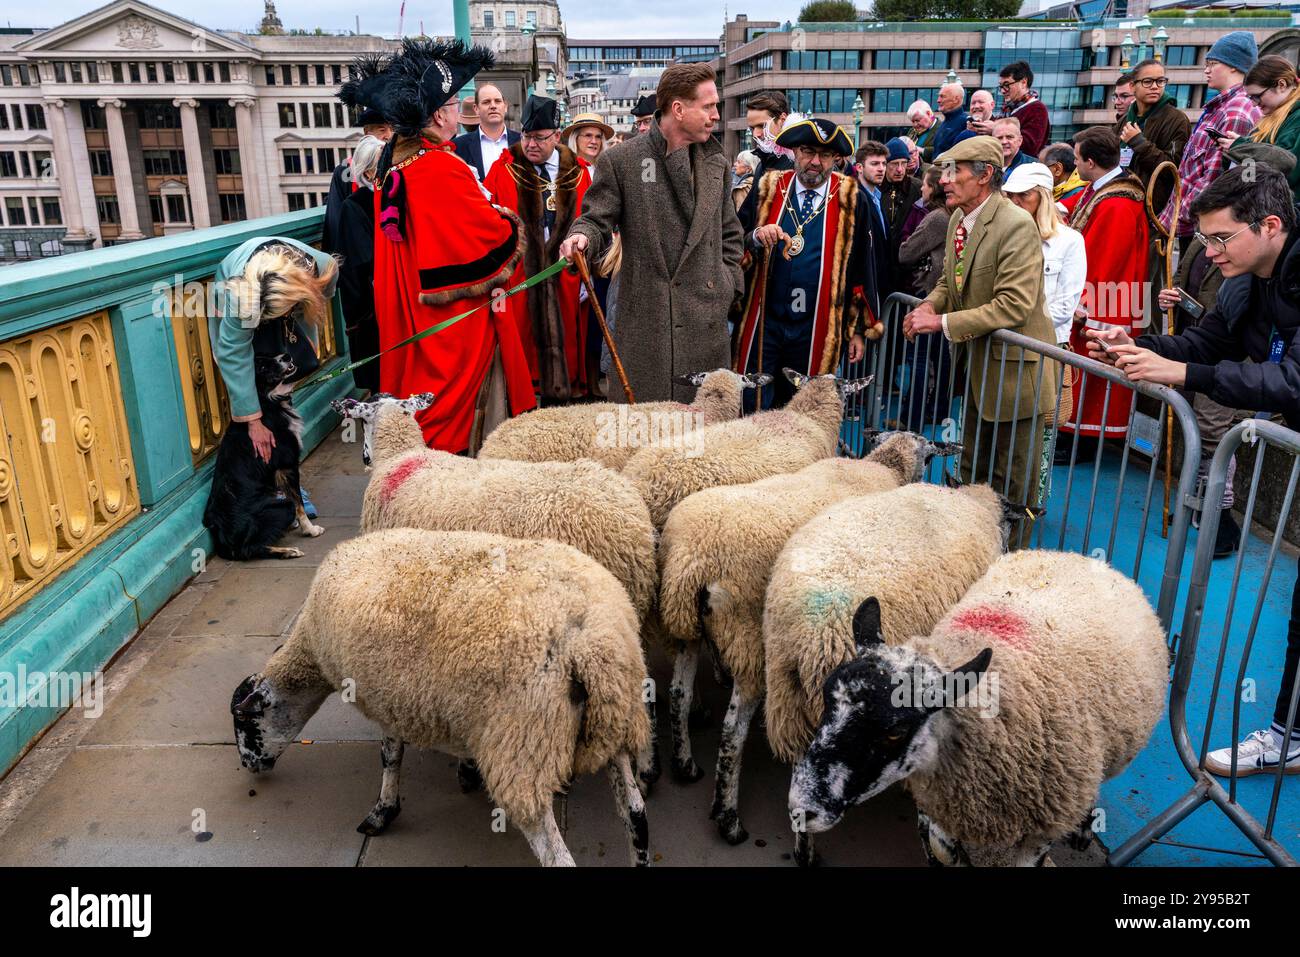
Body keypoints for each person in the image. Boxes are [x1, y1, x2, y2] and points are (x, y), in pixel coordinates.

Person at [1085, 164, 1300, 776]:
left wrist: (1185, 376)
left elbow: (1292, 380)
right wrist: (1136, 345)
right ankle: (1293, 729)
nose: (1208, 252)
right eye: (1203, 240)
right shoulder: (1244, 275)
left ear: (1271, 226)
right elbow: (1205, 347)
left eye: (1219, 239)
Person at [372, 39, 535, 454]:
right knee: (450, 414)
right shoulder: (439, 166)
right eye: (453, 106)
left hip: (410, 308)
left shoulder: (395, 164)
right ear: (439, 115)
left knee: (416, 393)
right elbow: (489, 237)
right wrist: (507, 218)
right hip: (452, 320)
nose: (456, 114)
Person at [903, 135, 1060, 534]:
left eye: (956, 172)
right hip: (978, 369)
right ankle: (971, 554)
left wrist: (941, 324)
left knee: (1012, 485)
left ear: (986, 175)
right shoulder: (959, 219)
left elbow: (1014, 305)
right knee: (973, 470)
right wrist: (932, 304)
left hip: (1014, 377)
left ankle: (1009, 567)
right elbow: (949, 281)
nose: (945, 181)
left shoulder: (1016, 225)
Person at [560, 63, 744, 403]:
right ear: (678, 109)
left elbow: (730, 235)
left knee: (705, 445)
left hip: (706, 328)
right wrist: (580, 237)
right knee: (641, 440)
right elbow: (596, 218)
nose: (716, 115)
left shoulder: (717, 162)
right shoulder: (622, 161)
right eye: (708, 106)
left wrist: (727, 286)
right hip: (646, 329)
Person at [734, 118, 876, 410]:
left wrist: (859, 329)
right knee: (751, 402)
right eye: (808, 152)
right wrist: (757, 237)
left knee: (803, 410)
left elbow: (863, 265)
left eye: (824, 155)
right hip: (765, 319)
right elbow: (734, 241)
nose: (815, 162)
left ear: (836, 159)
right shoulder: (768, 188)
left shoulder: (852, 198)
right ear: (795, 152)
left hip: (817, 324)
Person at [484, 95, 593, 405]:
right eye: (526, 136)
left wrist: (587, 269)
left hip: (567, 274)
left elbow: (592, 220)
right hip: (522, 277)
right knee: (524, 340)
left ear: (556, 136)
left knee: (568, 339)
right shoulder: (504, 170)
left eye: (540, 138)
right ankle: (526, 400)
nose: (531, 144)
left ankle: (567, 397)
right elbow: (488, 221)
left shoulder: (578, 172)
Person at [210, 236, 338, 494]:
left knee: (282, 376)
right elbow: (233, 353)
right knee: (255, 378)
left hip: (295, 295)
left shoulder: (322, 268)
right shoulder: (237, 291)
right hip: (245, 297)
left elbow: (322, 297)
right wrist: (253, 420)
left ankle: (286, 483)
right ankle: (275, 483)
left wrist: (296, 322)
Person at [1062, 127, 1149, 453]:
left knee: (1094, 369)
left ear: (1091, 161)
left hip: (1107, 300)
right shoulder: (1106, 189)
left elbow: (1102, 258)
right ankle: (1074, 433)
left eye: (1076, 158)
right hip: (1107, 296)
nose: (1074, 164)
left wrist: (1079, 301)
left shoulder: (1117, 204)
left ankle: (1084, 440)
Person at [1005, 161, 1086, 499]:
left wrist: (1010, 322)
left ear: (1040, 197)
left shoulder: (1069, 242)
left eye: (1022, 197)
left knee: (1042, 431)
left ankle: (1030, 503)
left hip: (1046, 349)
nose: (1015, 204)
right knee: (1000, 427)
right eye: (1010, 197)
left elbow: (1066, 306)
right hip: (1007, 347)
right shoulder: (1005, 237)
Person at [1162, 31, 1260, 251]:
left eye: (1213, 63)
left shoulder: (1236, 110)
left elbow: (1216, 178)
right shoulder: (1223, 107)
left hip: (1202, 228)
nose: (1206, 69)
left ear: (1234, 66)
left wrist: (1183, 214)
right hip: (1195, 224)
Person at [323, 53, 393, 254]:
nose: (388, 135)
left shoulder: (404, 163)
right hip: (361, 257)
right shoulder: (346, 171)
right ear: (367, 132)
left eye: (391, 128)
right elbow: (336, 222)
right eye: (381, 129)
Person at [336, 134, 386, 394]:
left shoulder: (392, 197)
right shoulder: (353, 207)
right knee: (380, 382)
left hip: (395, 303)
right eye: (383, 161)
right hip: (372, 313)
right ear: (368, 170)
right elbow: (360, 263)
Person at [1117, 59, 1190, 216]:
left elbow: (1172, 169)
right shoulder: (1126, 119)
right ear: (1132, 86)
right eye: (1148, 81)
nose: (1155, 86)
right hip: (1122, 203)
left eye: (1160, 81)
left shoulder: (1176, 119)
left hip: (1154, 212)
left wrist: (1138, 143)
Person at [1222, 56, 1300, 202]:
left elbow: (1286, 173)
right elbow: (1249, 177)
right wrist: (1231, 154)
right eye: (1250, 97)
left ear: (1281, 85)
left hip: (1283, 215)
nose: (1254, 104)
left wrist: (1241, 147)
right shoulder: (1272, 119)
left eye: (1257, 96)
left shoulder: (1295, 119)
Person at [738, 91, 796, 234]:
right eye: (752, 128)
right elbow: (746, 219)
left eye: (761, 126)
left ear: (782, 119)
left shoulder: (800, 162)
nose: (755, 134)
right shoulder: (763, 162)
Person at [854, 140, 896, 300]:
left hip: (881, 284)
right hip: (865, 287)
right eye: (874, 164)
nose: (881, 169)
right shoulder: (855, 198)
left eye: (884, 164)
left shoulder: (877, 197)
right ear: (859, 167)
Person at [451, 83, 519, 181]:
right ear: (476, 109)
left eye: (498, 101)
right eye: (486, 102)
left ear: (505, 106)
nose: (493, 106)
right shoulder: (459, 147)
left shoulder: (521, 142)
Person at [898, 165, 947, 295]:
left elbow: (905, 253)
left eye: (925, 184)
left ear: (934, 189)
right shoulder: (950, 212)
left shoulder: (937, 217)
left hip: (927, 289)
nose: (921, 188)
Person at [997, 60, 1050, 158]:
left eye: (1007, 85)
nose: (1002, 91)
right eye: (1001, 86)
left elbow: (1030, 147)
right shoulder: (1008, 109)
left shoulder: (1037, 109)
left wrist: (994, 129)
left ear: (1023, 82)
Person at [881, 137, 922, 240]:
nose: (899, 169)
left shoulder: (917, 188)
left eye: (903, 163)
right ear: (885, 164)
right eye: (894, 164)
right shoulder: (876, 189)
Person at [1040, 141, 1087, 213]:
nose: (1038, 171)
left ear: (1058, 169)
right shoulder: (1058, 190)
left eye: (1042, 167)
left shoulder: (1077, 196)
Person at [993, 116, 1033, 182]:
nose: (1004, 142)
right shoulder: (985, 167)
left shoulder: (1033, 167)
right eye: (999, 138)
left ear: (1020, 140)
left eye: (1009, 137)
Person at [933, 83, 968, 157]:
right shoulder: (944, 123)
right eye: (939, 96)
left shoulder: (965, 123)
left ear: (956, 99)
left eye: (942, 96)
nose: (938, 100)